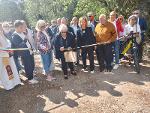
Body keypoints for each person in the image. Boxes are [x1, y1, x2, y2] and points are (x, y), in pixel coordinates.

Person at [11, 20, 38, 84]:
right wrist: (25, 39)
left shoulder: (22, 33)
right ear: (16, 27)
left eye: (22, 27)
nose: (22, 29)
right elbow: (19, 46)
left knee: (32, 65)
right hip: (24, 54)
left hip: (29, 51)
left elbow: (28, 42)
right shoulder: (14, 36)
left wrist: (31, 47)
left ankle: (32, 77)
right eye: (21, 27)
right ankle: (30, 79)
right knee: (28, 66)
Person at [0, 23, 21, 90]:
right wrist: (6, 50)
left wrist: (10, 49)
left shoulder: (3, 34)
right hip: (3, 56)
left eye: (0, 27)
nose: (1, 28)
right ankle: (9, 86)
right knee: (6, 71)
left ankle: (15, 82)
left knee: (13, 69)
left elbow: (7, 43)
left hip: (9, 55)